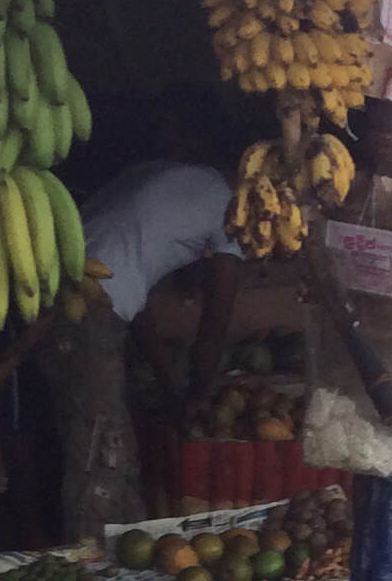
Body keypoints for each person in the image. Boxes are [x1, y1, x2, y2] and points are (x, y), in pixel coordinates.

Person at [44, 84, 244, 535]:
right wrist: (198, 395)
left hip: (59, 299)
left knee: (89, 439)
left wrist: (169, 377)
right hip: (83, 311)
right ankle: (97, 565)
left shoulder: (162, 175)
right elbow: (215, 322)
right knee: (103, 455)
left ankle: (111, 549)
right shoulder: (230, 212)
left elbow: (128, 289)